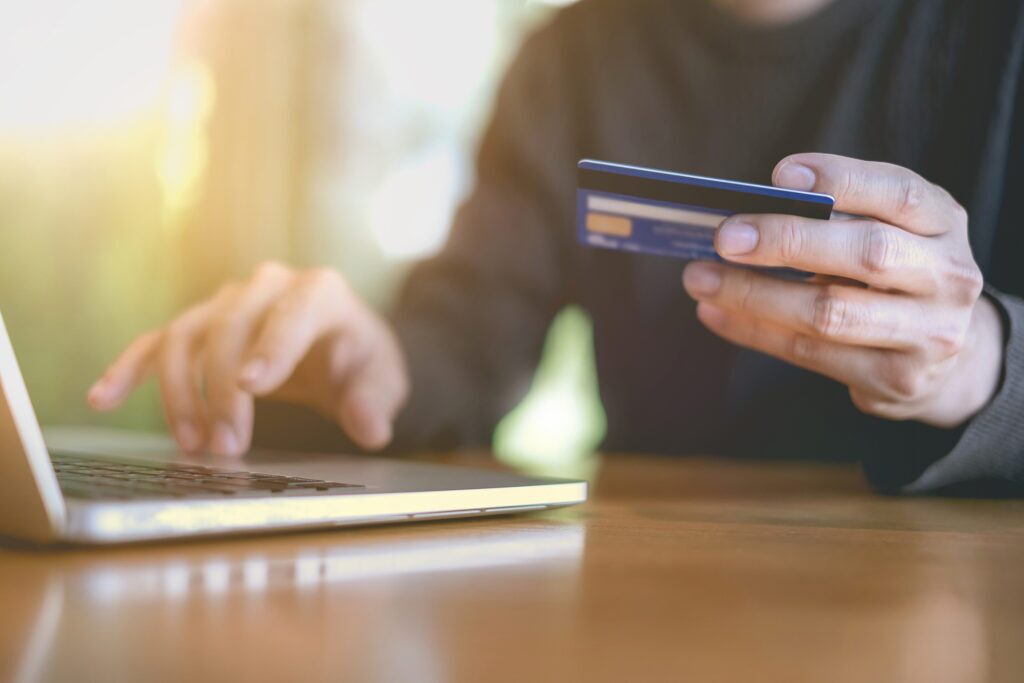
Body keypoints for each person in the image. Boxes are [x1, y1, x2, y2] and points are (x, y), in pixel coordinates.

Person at [87, 0, 1024, 495]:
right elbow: (469, 327)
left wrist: (983, 363)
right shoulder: (571, 56)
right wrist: (375, 360)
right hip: (650, 579)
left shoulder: (999, 37)